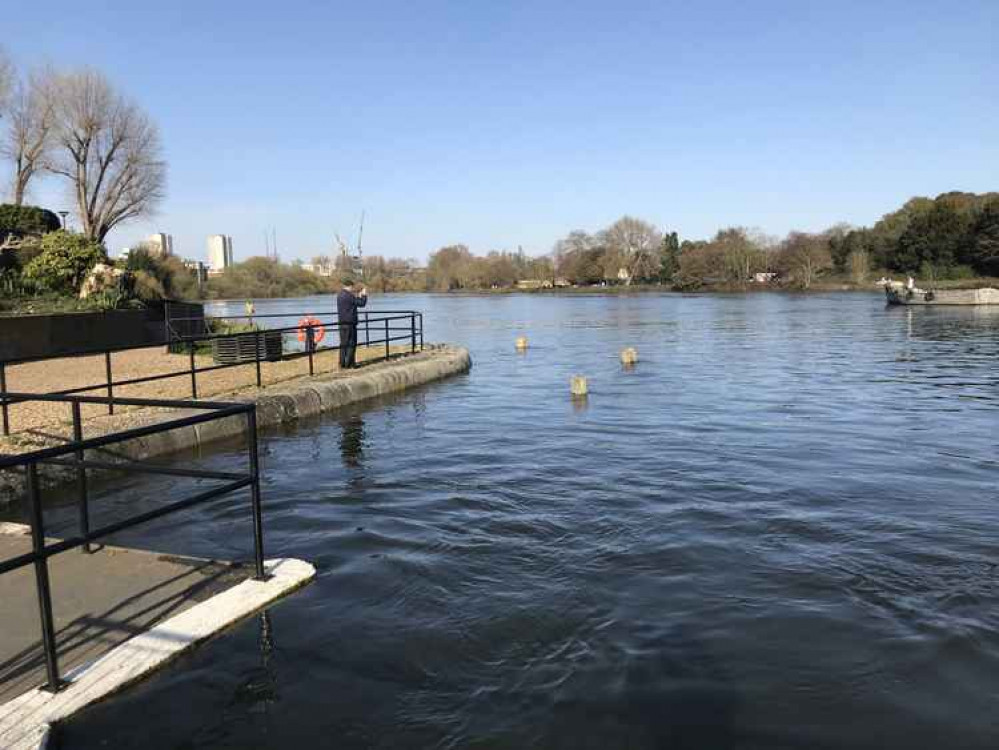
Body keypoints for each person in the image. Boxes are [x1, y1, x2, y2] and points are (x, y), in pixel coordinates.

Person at [336, 277, 367, 369]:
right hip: (350, 323)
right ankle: (349, 364)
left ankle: (341, 364)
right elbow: (361, 304)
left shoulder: (340, 295)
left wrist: (358, 296)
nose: (353, 289)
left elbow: (352, 302)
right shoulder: (349, 295)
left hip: (342, 323)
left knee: (343, 344)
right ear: (350, 286)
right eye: (352, 287)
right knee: (351, 344)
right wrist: (364, 295)